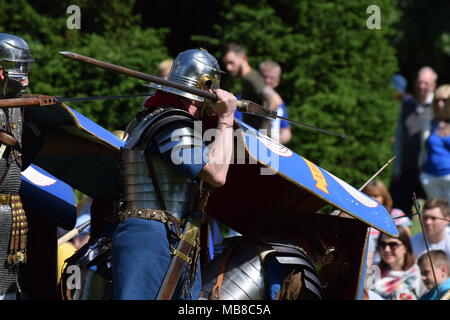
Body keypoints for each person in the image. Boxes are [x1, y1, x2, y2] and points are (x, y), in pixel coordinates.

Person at [112, 48, 237, 300]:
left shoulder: (154, 117)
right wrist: (226, 119)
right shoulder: (172, 123)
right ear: (205, 87)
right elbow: (216, 173)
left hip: (166, 233)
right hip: (151, 237)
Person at [0, 34, 42, 299]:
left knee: (8, 285)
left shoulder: (16, 107)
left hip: (10, 209)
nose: (24, 78)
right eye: (18, 70)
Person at [391, 67, 437, 216]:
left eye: (426, 83)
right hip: (406, 169)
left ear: (434, 85)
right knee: (400, 214)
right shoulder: (407, 105)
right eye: (419, 82)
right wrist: (396, 168)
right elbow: (399, 138)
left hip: (428, 170)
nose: (421, 86)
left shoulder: (439, 106)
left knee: (429, 214)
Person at [222, 43, 282, 135]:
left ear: (243, 58)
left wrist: (262, 133)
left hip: (258, 141)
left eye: (231, 62)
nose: (228, 68)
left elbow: (275, 100)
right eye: (226, 64)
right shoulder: (246, 79)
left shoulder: (252, 78)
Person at [362, 180, 412, 267]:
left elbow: (407, 243)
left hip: (392, 265)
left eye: (376, 196)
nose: (371, 199)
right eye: (368, 195)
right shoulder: (360, 218)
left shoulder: (397, 215)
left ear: (384, 197)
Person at [372, 226, 425, 300]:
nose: (387, 249)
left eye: (393, 245)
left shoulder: (419, 275)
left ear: (406, 246)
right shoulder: (373, 272)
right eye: (383, 244)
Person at [418, 84, 450, 205]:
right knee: (436, 212)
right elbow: (423, 150)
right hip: (430, 176)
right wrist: (421, 172)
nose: (440, 104)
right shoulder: (429, 125)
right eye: (437, 100)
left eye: (445, 100)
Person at [259, 60, 292, 144]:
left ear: (278, 81)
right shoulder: (246, 97)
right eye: (264, 76)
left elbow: (286, 131)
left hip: (270, 150)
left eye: (272, 78)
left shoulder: (280, 103)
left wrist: (277, 142)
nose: (267, 81)